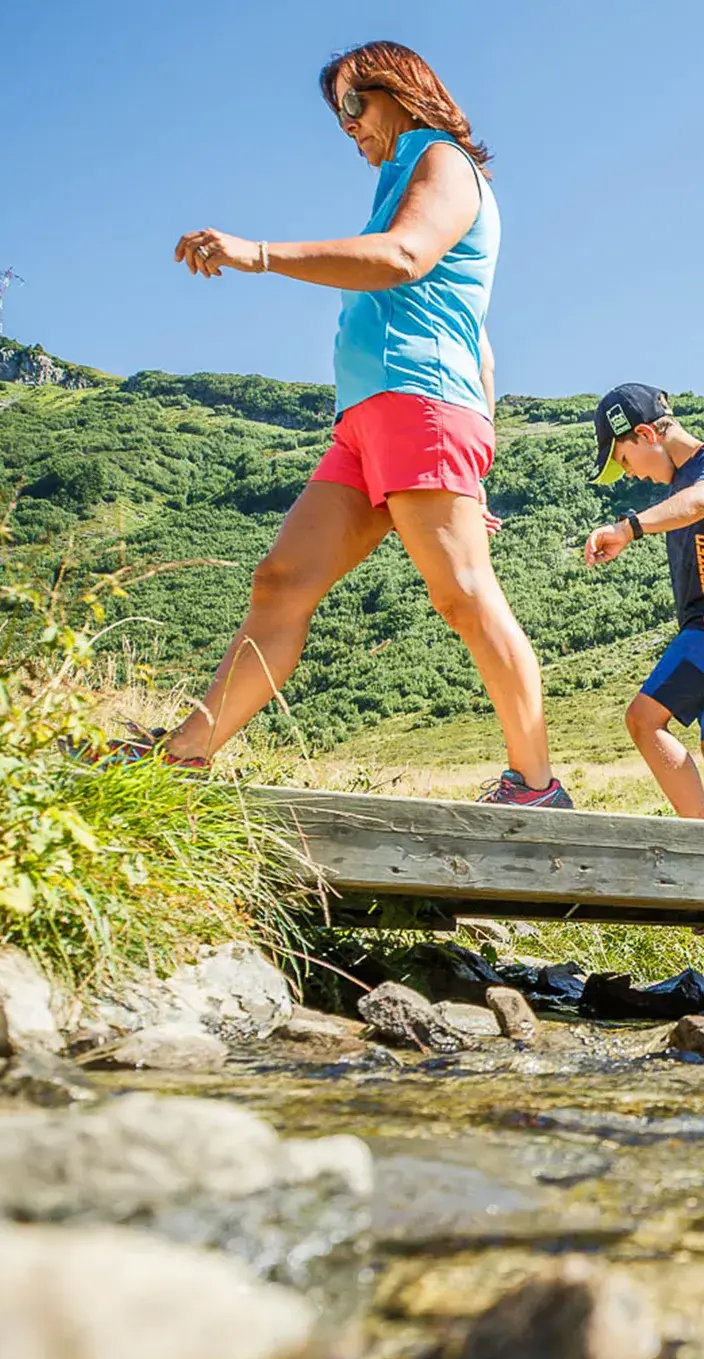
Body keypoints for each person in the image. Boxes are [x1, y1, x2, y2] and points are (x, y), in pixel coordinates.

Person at [125, 42, 569, 806]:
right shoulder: (400, 181)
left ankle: (536, 787)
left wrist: (260, 254)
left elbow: (402, 257)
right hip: (372, 420)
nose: (347, 125)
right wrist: (477, 458)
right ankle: (181, 759)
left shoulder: (442, 160)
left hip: (419, 402)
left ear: (400, 90)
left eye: (353, 104)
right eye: (338, 115)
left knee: (463, 593)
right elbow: (480, 340)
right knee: (281, 581)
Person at [583, 386, 704, 822]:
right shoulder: (681, 481)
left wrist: (628, 529)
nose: (631, 475)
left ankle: (698, 845)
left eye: (624, 460)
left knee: (642, 720)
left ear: (646, 434)